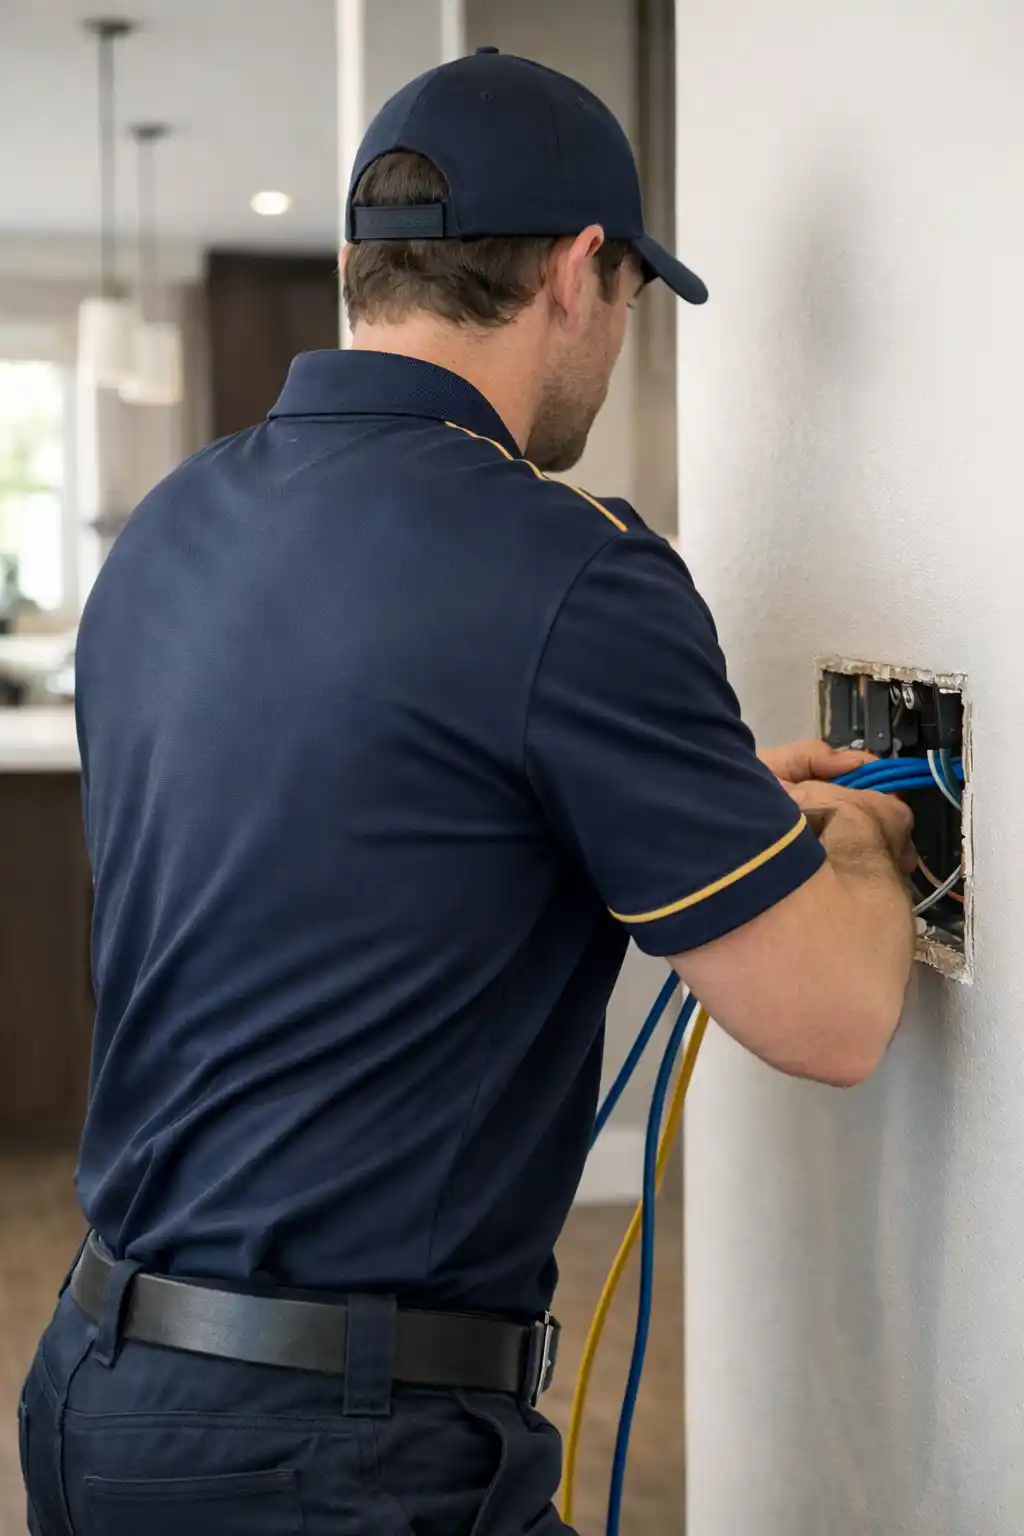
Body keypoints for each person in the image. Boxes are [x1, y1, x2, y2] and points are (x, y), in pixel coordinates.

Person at [19, 47, 915, 1536]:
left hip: (98, 1393)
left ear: (364, 271)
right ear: (576, 270)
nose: (617, 337)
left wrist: (674, 801)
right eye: (629, 296)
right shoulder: (572, 566)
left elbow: (343, 821)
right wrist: (875, 842)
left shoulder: (169, 530)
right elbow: (836, 1017)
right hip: (331, 1456)